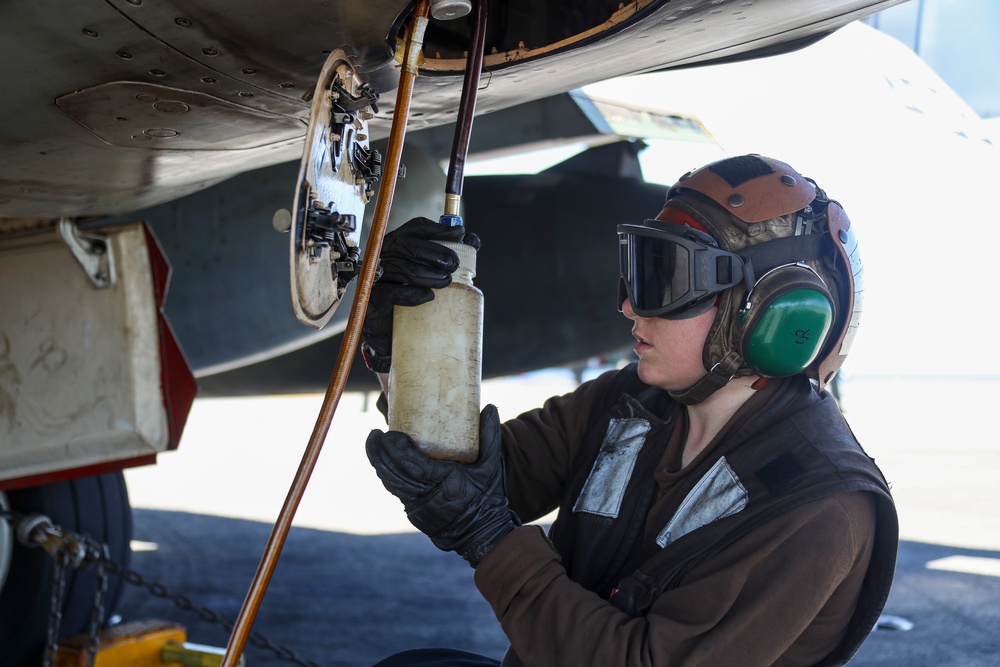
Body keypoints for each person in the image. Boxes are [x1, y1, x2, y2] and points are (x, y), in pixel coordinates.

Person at [361, 154, 898, 667]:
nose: (630, 305)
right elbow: (473, 477)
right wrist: (406, 347)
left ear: (768, 315)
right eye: (641, 269)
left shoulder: (820, 505)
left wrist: (491, 541)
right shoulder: (631, 405)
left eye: (667, 278)